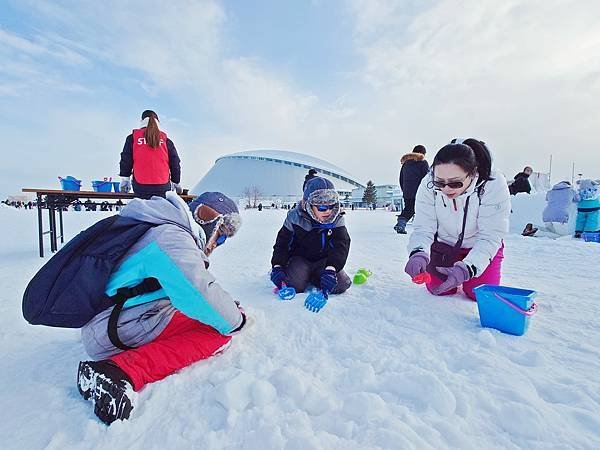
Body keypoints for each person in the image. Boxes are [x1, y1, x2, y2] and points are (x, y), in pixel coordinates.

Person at [77, 191, 246, 425]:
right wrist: (237, 320)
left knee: (205, 316)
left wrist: (221, 307)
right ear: (209, 222)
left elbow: (184, 291)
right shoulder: (172, 239)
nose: (218, 243)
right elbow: (199, 290)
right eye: (221, 234)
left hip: (112, 319)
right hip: (112, 328)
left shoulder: (158, 226)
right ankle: (118, 372)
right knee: (219, 332)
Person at [404, 138, 511, 300]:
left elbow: (491, 235)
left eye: (455, 183)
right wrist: (418, 252)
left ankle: (470, 271)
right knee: (439, 290)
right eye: (440, 182)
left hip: (478, 244)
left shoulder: (493, 183)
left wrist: (468, 268)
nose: (446, 189)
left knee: (479, 295)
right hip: (443, 246)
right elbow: (423, 228)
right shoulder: (428, 184)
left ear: (473, 173)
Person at [270, 177, 351, 297]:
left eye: (331, 206)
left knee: (341, 284)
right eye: (322, 207)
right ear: (308, 204)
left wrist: (331, 268)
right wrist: (277, 265)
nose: (328, 211)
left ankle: (314, 276)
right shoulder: (294, 218)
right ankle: (301, 274)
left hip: (323, 260)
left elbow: (341, 246)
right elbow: (282, 244)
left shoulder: (337, 220)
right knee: (294, 285)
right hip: (300, 259)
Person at [119, 110, 182, 199]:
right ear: (158, 122)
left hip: (141, 187)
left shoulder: (133, 138)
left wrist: (125, 179)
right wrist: (176, 182)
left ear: (142, 121)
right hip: (163, 187)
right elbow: (175, 163)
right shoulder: (166, 141)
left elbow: (126, 160)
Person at [395, 145, 429, 234]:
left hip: (407, 191)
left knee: (409, 208)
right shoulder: (423, 163)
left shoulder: (406, 164)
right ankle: (401, 224)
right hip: (418, 191)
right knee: (414, 209)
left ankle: (400, 224)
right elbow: (426, 178)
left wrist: (404, 189)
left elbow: (401, 178)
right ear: (422, 153)